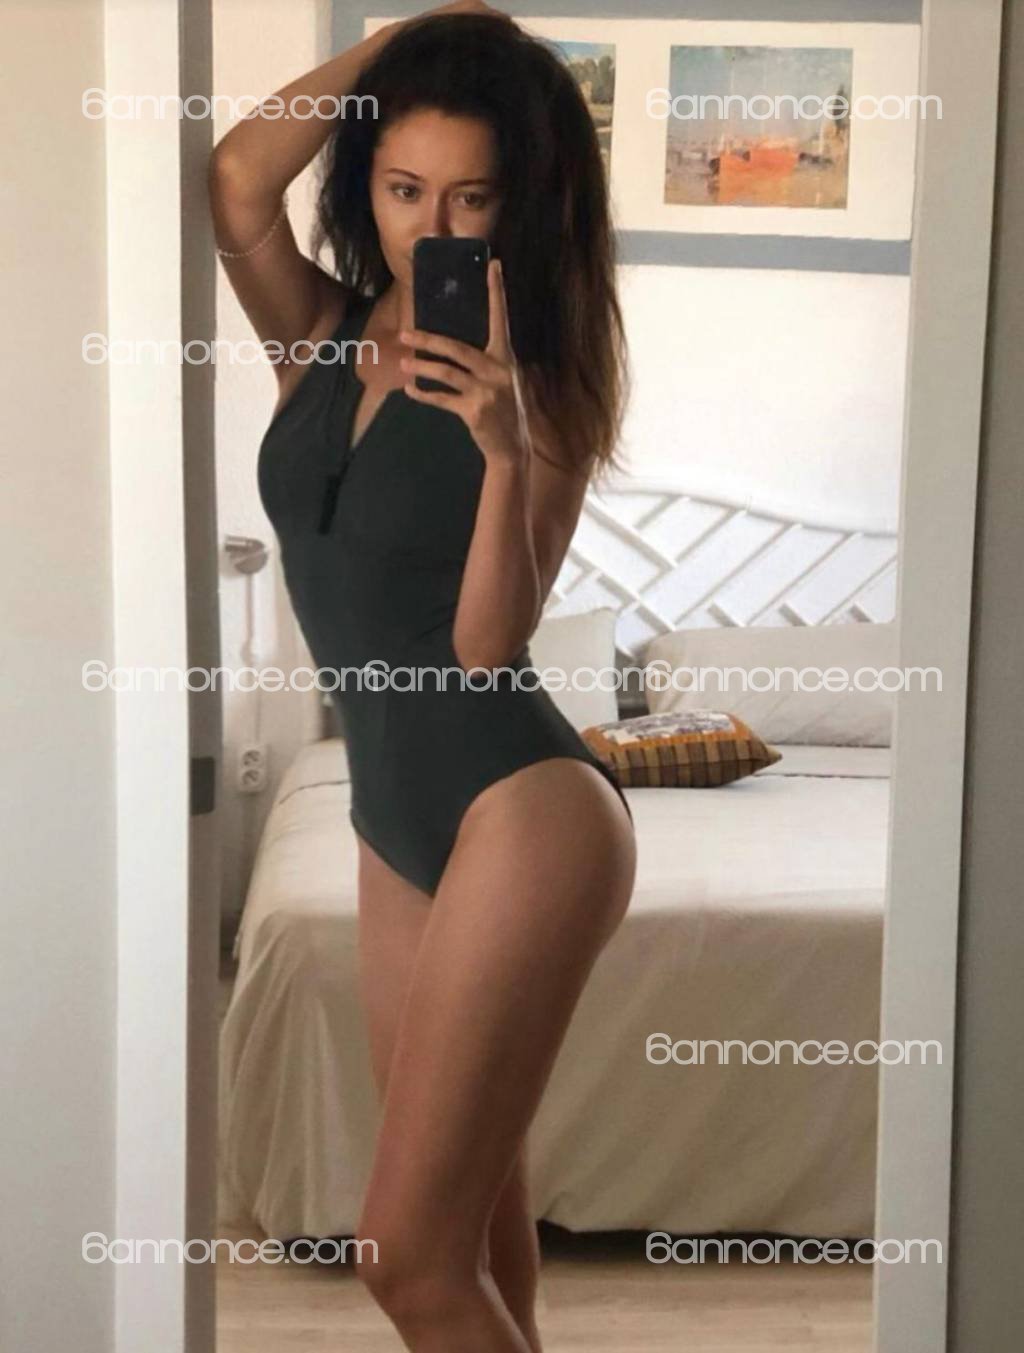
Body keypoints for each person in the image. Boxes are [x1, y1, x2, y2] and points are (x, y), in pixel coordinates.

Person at [210, 6, 636, 1349]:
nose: (431, 226)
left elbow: (485, 649)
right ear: (366, 184)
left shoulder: (546, 382)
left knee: (403, 1258)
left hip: (525, 807)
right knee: (474, 1234)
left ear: (519, 205)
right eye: (403, 189)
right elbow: (236, 177)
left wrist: (504, 452)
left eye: (470, 197)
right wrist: (410, 40)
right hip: (392, 818)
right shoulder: (316, 335)